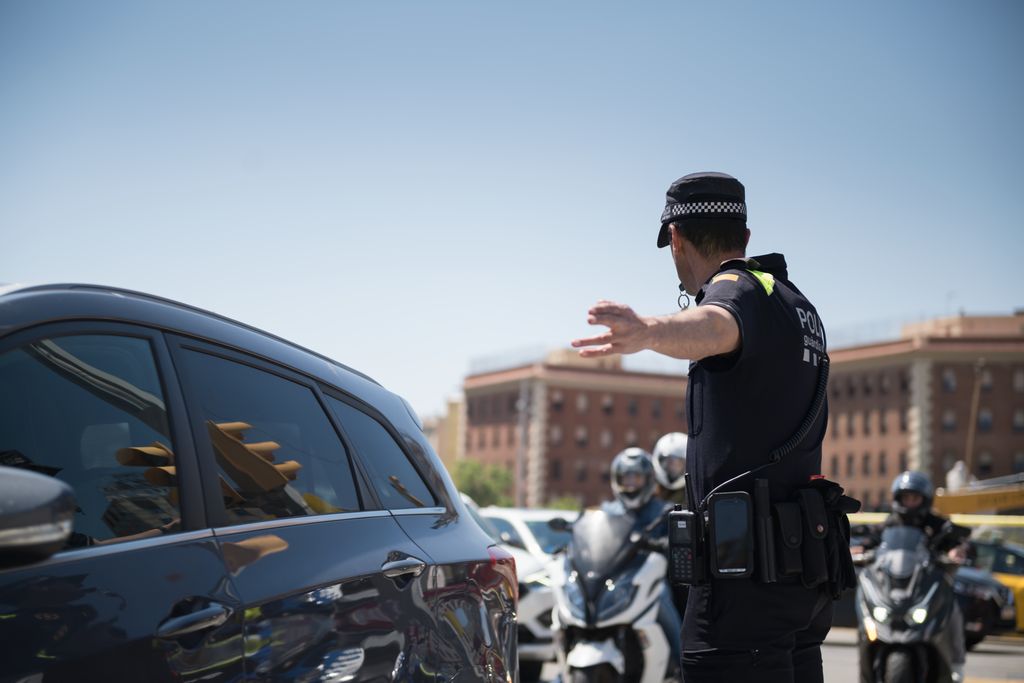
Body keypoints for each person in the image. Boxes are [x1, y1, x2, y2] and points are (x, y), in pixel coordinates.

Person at [573, 172, 833, 683]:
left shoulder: (738, 291)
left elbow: (718, 324)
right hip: (803, 578)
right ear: (745, 236)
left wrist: (649, 331)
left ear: (676, 240)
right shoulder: (798, 305)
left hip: (742, 594)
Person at [857, 471, 969, 675]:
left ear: (924, 500)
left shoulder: (936, 524)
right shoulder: (890, 523)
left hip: (925, 583)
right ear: (898, 499)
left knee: (953, 609)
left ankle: (957, 663)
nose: (910, 502)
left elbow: (958, 540)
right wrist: (860, 549)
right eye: (905, 497)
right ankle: (865, 666)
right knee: (866, 612)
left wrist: (956, 550)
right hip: (894, 585)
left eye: (914, 498)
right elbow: (872, 539)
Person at [602, 447, 683, 674]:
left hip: (647, 581)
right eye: (625, 478)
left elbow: (673, 544)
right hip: (613, 580)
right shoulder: (609, 511)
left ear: (647, 480)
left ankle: (683, 665)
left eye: (635, 477)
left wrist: (656, 543)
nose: (630, 484)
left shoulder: (663, 511)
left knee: (663, 598)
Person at [652, 431, 688, 507]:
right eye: (668, 461)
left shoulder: (694, 495)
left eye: (679, 462)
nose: (673, 467)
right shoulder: (650, 493)